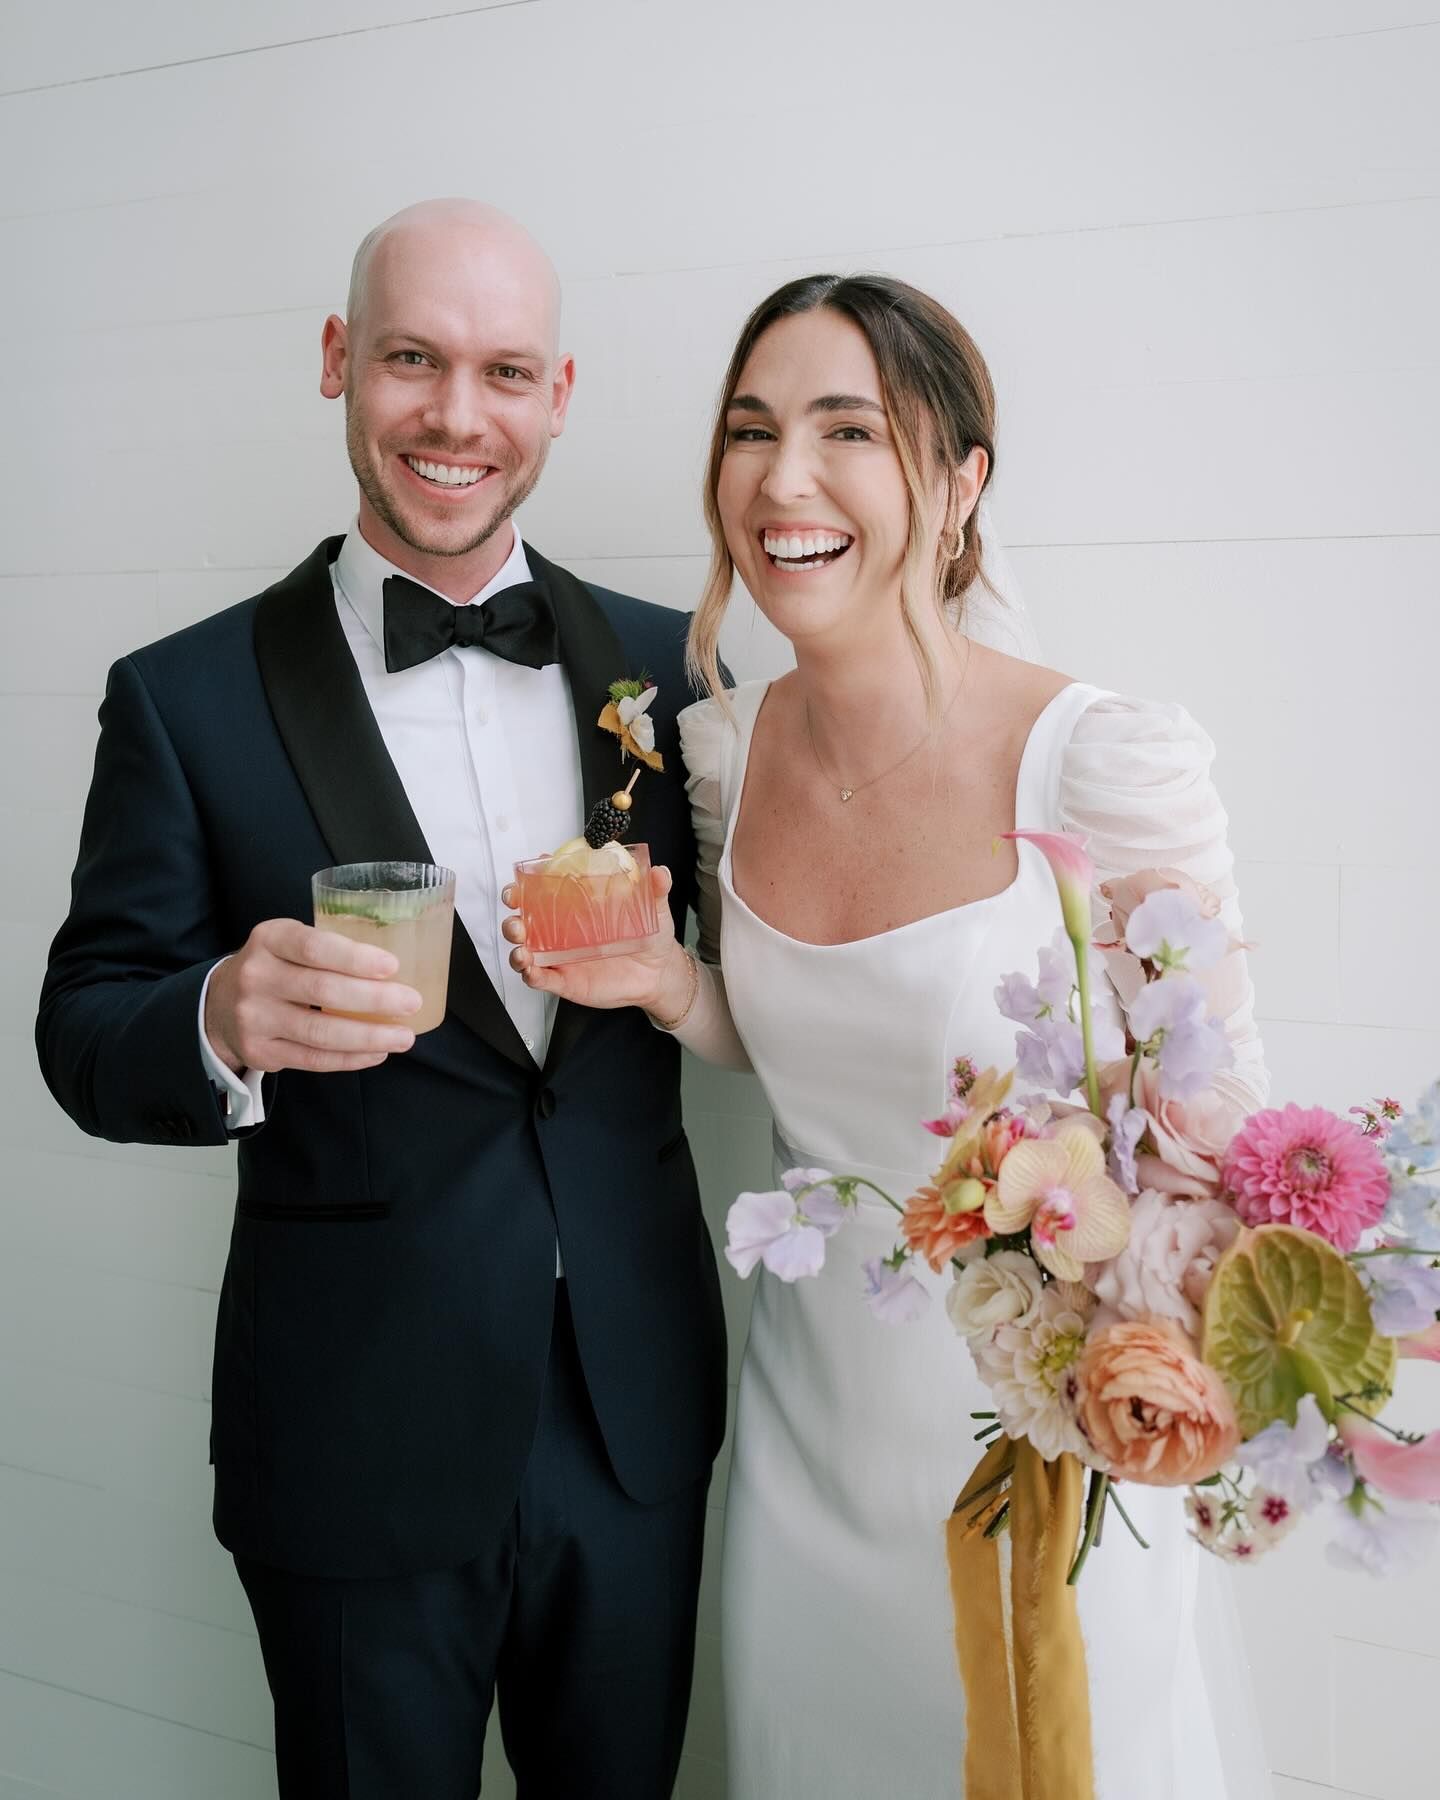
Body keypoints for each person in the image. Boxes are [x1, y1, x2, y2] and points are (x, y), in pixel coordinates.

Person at [505, 273, 1274, 1797]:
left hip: (1043, 1455)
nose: (783, 481)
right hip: (807, 1449)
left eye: (846, 429)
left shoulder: (1108, 762)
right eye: (751, 429)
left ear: (961, 480)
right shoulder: (724, 748)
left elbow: (1227, 1140)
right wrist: (672, 988)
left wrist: (1145, 1359)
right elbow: (805, 1043)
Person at [35, 198, 726, 1800]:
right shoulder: (181, 696)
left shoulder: (667, 671)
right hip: (352, 1436)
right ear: (343, 362)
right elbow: (82, 1031)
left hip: (632, 1421)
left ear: (560, 396)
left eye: (504, 371)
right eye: (413, 359)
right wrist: (215, 1017)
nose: (455, 416)